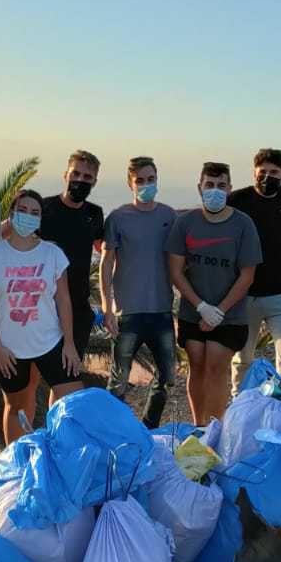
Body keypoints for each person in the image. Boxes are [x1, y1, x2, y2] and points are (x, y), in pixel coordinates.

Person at [0, 190, 82, 442]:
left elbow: (63, 300)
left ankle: (62, 453)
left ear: (40, 219)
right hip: (9, 349)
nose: (28, 216)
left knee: (75, 403)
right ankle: (17, 458)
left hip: (50, 341)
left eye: (35, 212)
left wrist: (69, 343)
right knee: (17, 407)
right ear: (11, 214)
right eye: (22, 210)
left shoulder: (52, 254)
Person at [165, 162, 261, 426]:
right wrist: (201, 307)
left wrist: (219, 311)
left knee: (217, 366)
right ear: (200, 187)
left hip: (230, 315)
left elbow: (247, 275)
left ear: (229, 188)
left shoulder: (243, 224)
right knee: (196, 365)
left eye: (221, 185)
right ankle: (199, 426)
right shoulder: (185, 223)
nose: (215, 190)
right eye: (209, 185)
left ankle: (215, 427)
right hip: (192, 312)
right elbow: (176, 271)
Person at [101, 156, 177, 426]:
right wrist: (107, 307)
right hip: (128, 313)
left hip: (161, 310)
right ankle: (113, 430)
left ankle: (148, 428)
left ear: (157, 179)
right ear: (130, 183)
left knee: (167, 376)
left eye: (150, 179)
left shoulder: (169, 216)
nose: (146, 185)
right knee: (118, 380)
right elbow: (106, 262)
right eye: (140, 180)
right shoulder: (118, 218)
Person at [228, 148, 281, 392]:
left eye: (274, 172)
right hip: (245, 294)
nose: (267, 176)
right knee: (242, 359)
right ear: (254, 172)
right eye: (263, 171)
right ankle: (240, 404)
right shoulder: (238, 200)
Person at [37, 150, 104, 367]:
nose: (80, 180)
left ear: (94, 182)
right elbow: (11, 236)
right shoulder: (44, 208)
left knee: (68, 375)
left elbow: (106, 252)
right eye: (76, 174)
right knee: (32, 377)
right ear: (65, 174)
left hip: (78, 309)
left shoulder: (95, 213)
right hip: (41, 306)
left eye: (87, 177)